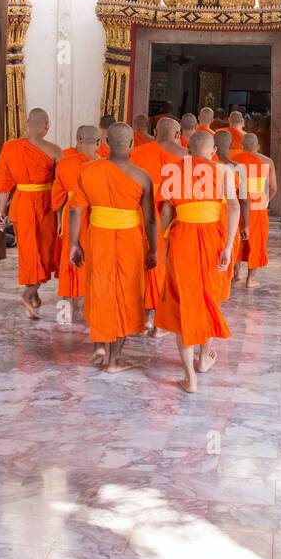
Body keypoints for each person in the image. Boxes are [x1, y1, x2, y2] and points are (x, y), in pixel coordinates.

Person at [69, 123, 158, 373]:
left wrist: (74, 244)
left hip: (97, 237)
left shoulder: (88, 171)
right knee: (126, 294)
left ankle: (99, 349)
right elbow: (151, 219)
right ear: (132, 144)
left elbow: (76, 210)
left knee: (100, 290)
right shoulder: (142, 177)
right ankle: (114, 360)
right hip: (131, 241)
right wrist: (154, 249)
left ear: (106, 142)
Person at [154, 130, 238, 393]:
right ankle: (204, 358)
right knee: (207, 297)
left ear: (188, 148)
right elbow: (234, 207)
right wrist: (227, 247)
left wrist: (165, 244)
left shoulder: (172, 169)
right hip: (213, 236)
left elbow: (167, 208)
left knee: (185, 301)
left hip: (182, 239)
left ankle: (190, 376)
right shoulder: (224, 171)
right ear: (213, 151)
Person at [0, 108, 61, 319]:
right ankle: (27, 294)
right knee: (45, 251)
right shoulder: (55, 151)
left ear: (28, 124)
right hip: (46, 204)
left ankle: (34, 295)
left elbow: (5, 183)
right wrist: (61, 216)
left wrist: (0, 212)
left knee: (30, 253)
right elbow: (60, 186)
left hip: (21, 204)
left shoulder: (11, 148)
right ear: (47, 126)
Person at [130, 116, 187, 334]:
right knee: (166, 268)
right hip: (174, 217)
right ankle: (158, 321)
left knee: (144, 265)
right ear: (177, 134)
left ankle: (145, 317)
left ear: (155, 132)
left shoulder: (137, 153)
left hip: (141, 216)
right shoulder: (186, 156)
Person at [52, 125, 98, 305]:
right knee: (92, 255)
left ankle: (67, 303)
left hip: (71, 215)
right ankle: (88, 300)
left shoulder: (64, 163)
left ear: (78, 139)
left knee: (69, 256)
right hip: (97, 215)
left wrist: (58, 223)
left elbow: (56, 200)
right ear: (99, 143)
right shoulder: (103, 163)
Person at [233, 132, 275, 288]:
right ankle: (250, 280)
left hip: (238, 206)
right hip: (258, 207)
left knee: (237, 239)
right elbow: (273, 187)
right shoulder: (267, 162)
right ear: (258, 146)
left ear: (242, 146)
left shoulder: (234, 160)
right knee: (257, 242)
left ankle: (237, 273)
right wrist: (265, 201)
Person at [213, 129, 248, 301]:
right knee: (227, 251)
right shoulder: (236, 168)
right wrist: (246, 223)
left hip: (209, 215)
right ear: (232, 145)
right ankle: (220, 292)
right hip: (228, 216)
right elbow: (243, 201)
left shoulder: (204, 166)